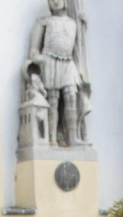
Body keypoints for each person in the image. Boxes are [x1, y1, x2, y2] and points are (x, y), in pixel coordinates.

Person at [24, 0, 88, 147]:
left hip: (68, 62)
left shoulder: (73, 23)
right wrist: (36, 57)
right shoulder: (43, 22)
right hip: (50, 60)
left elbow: (79, 48)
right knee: (53, 99)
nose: (56, 1)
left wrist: (83, 25)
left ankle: (73, 136)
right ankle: (52, 138)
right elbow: (34, 48)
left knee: (71, 96)